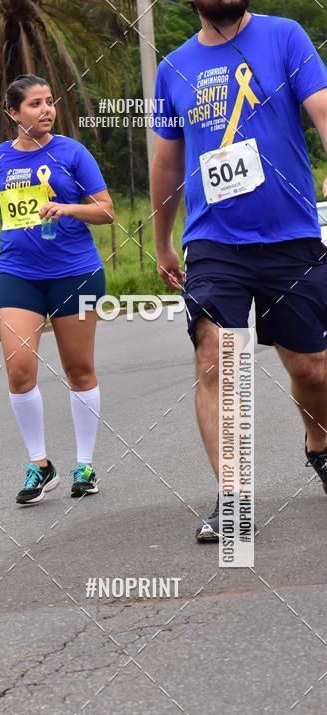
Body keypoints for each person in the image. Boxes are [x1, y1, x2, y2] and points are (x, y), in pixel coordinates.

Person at [151, 1, 327, 541]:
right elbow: (166, 161)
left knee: (314, 369)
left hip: (289, 236)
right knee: (216, 360)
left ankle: (319, 444)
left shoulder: (286, 37)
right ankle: (233, 498)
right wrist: (161, 241)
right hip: (213, 242)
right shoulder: (173, 67)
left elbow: (323, 113)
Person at [0, 74, 115, 505]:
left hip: (75, 273)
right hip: (17, 275)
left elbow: (107, 211)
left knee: (78, 369)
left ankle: (84, 464)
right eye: (35, 104)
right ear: (13, 112)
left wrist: (67, 208)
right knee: (19, 369)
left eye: (50, 102)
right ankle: (40, 464)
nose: (46, 110)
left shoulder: (73, 153)